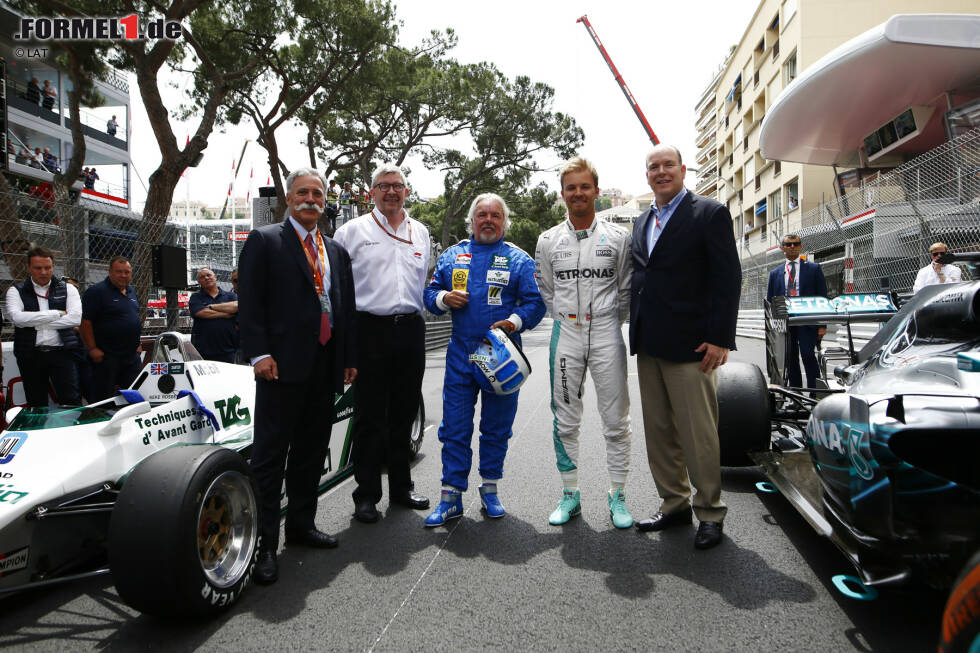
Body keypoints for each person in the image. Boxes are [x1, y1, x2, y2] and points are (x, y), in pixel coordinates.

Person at [238, 167, 357, 585]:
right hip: (279, 369)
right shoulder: (265, 241)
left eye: (318, 194)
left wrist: (346, 358)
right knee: (270, 460)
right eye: (303, 193)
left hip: (324, 369)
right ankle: (264, 546)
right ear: (288, 199)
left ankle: (302, 527)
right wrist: (259, 354)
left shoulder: (336, 251)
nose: (311, 200)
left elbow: (344, 309)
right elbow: (250, 304)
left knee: (310, 452)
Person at [630, 144, 741, 550]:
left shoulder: (708, 213)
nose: (661, 172)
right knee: (659, 433)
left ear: (683, 170)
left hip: (694, 345)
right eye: (653, 167)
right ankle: (673, 504)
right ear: (647, 176)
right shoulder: (642, 220)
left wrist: (720, 338)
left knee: (699, 435)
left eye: (668, 165)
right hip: (650, 342)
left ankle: (709, 511)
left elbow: (728, 278)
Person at [422, 193, 545, 525]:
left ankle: (489, 489)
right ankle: (450, 496)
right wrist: (445, 297)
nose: (488, 220)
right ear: (472, 221)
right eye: (482, 215)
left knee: (496, 427)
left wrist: (513, 322)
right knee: (455, 427)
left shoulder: (518, 260)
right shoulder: (452, 256)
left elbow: (536, 304)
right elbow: (429, 295)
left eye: (495, 215)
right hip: (462, 352)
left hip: (500, 353)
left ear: (504, 222)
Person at [535, 156, 635, 529]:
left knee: (616, 420)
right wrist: (565, 317)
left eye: (584, 186)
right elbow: (546, 288)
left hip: (608, 330)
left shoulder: (618, 237)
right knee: (564, 419)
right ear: (563, 194)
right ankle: (570, 493)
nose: (578, 193)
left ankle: (618, 495)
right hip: (567, 333)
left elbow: (625, 289)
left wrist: (611, 321)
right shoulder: (548, 240)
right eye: (571, 188)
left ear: (596, 190)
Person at [334, 163, 431, 523]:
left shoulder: (420, 232)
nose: (391, 191)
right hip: (369, 329)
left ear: (407, 191)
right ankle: (366, 494)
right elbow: (339, 290)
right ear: (371, 192)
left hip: (410, 329)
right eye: (383, 186)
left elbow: (423, 281)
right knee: (370, 416)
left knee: (404, 412)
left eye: (398, 186)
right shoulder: (351, 231)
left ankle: (402, 488)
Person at [5, 247, 82, 406]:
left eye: (48, 267)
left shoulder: (68, 289)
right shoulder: (16, 291)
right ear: (29, 267)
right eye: (38, 268)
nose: (44, 272)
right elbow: (18, 319)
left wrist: (34, 322)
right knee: (36, 403)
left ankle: (72, 429)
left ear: (53, 266)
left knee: (71, 399)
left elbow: (75, 318)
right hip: (30, 354)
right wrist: (56, 313)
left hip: (62, 353)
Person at [766, 233, 828, 389]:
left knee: (808, 355)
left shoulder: (814, 269)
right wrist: (772, 326)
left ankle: (815, 394)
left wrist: (822, 325)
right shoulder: (775, 274)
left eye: (795, 244)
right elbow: (770, 300)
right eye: (788, 244)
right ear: (783, 248)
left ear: (800, 246)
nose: (792, 247)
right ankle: (796, 396)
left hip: (807, 321)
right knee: (790, 359)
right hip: (785, 322)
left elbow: (822, 297)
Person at [80, 256, 143, 401]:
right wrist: (92, 349)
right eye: (119, 272)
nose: (123, 275)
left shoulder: (131, 292)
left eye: (127, 272)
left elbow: (133, 318)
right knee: (102, 398)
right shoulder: (96, 292)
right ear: (110, 272)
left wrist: (138, 342)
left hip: (131, 357)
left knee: (135, 396)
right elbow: (85, 322)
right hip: (106, 357)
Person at [189, 267, 239, 363]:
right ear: (199, 281)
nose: (206, 278)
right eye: (202, 277)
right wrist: (225, 313)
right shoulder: (195, 297)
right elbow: (200, 312)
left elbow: (236, 307)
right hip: (202, 350)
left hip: (228, 349)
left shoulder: (231, 296)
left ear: (215, 277)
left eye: (209, 275)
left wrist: (210, 306)